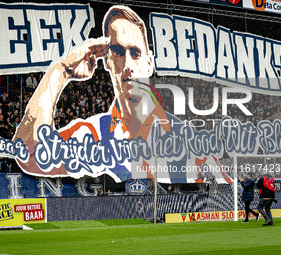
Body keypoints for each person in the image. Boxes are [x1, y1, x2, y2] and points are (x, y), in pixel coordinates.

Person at [13, 6, 211, 184]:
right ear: (107, 61)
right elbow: (30, 156)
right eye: (118, 51)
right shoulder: (91, 134)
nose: (127, 65)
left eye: (135, 53)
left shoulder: (182, 137)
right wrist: (61, 71)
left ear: (149, 64)